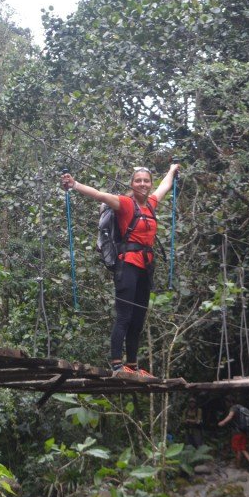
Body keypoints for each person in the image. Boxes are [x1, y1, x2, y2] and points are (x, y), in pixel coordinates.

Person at [60, 161, 180, 378]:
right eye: (138, 181)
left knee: (138, 318)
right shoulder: (125, 203)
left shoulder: (151, 203)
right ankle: (117, 364)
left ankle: (132, 365)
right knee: (124, 316)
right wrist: (74, 184)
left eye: (146, 181)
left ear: (150, 184)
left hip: (145, 268)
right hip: (127, 266)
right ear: (132, 184)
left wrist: (172, 170)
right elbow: (99, 195)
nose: (142, 184)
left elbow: (165, 186)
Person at [218, 399, 249, 472]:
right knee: (243, 449)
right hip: (244, 432)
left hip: (237, 433)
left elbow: (230, 416)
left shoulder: (233, 408)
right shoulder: (241, 407)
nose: (226, 404)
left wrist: (223, 422)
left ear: (230, 402)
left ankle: (238, 467)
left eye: (226, 402)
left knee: (237, 449)